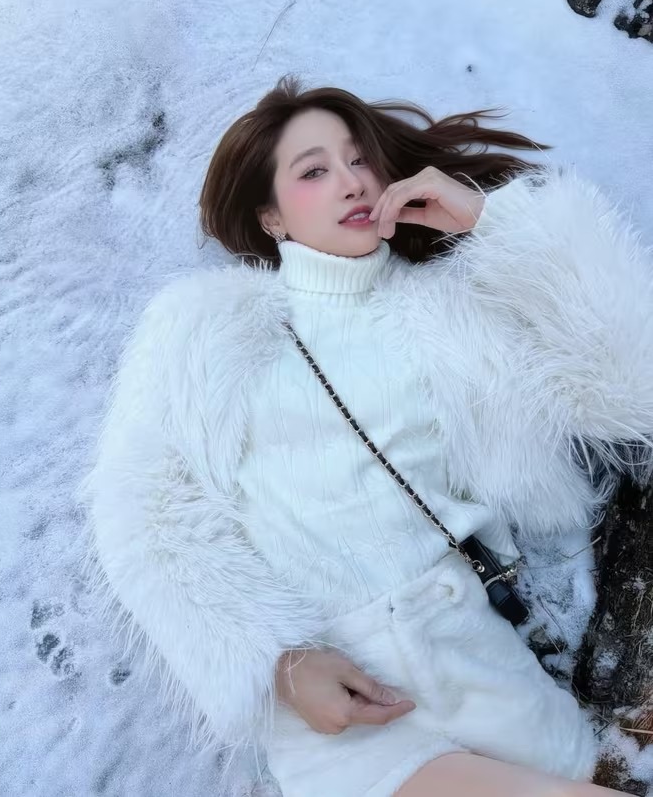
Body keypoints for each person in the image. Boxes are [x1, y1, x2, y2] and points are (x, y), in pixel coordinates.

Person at [78, 75, 653, 796]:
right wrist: (279, 666)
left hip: (489, 675)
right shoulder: (203, 332)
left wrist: (491, 223)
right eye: (314, 171)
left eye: (360, 161)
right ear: (271, 217)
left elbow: (625, 388)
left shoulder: (454, 314)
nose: (351, 181)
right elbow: (145, 519)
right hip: (344, 702)